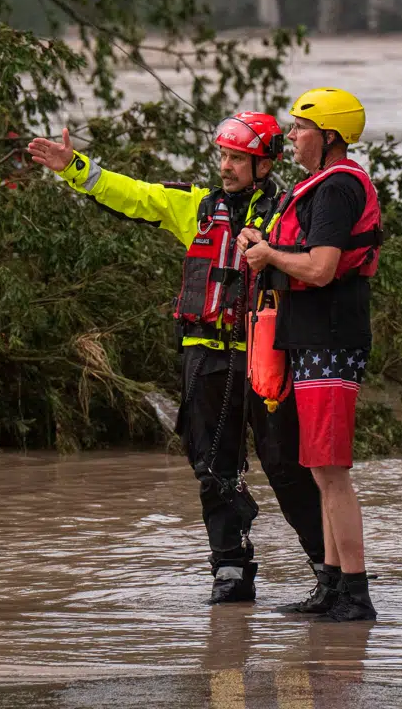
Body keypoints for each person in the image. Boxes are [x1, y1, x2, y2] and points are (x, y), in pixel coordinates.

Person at [27, 113, 326, 605]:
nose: (226, 167)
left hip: (267, 355)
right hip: (205, 353)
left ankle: (327, 567)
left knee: (285, 464)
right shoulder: (197, 206)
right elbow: (131, 193)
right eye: (223, 156)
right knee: (211, 464)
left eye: (237, 159)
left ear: (264, 164)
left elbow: (316, 264)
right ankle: (230, 567)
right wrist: (73, 167)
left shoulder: (289, 210)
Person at [239, 88, 382, 622]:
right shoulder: (321, 187)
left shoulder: (338, 188)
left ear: (328, 138)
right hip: (312, 339)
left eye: (300, 129)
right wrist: (268, 244)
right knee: (319, 468)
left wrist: (270, 252)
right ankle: (331, 586)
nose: (291, 137)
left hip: (331, 340)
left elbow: (321, 268)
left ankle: (355, 592)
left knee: (330, 469)